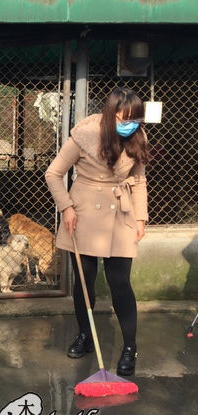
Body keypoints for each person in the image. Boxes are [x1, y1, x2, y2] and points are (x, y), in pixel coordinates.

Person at [45, 87, 149, 376]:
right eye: (124, 119)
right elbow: (53, 173)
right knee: (84, 282)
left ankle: (130, 348)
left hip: (121, 214)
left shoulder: (138, 137)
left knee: (120, 283)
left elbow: (139, 181)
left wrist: (141, 218)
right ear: (110, 114)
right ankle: (85, 335)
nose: (130, 125)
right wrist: (66, 207)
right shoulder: (84, 134)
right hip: (84, 214)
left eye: (135, 119)